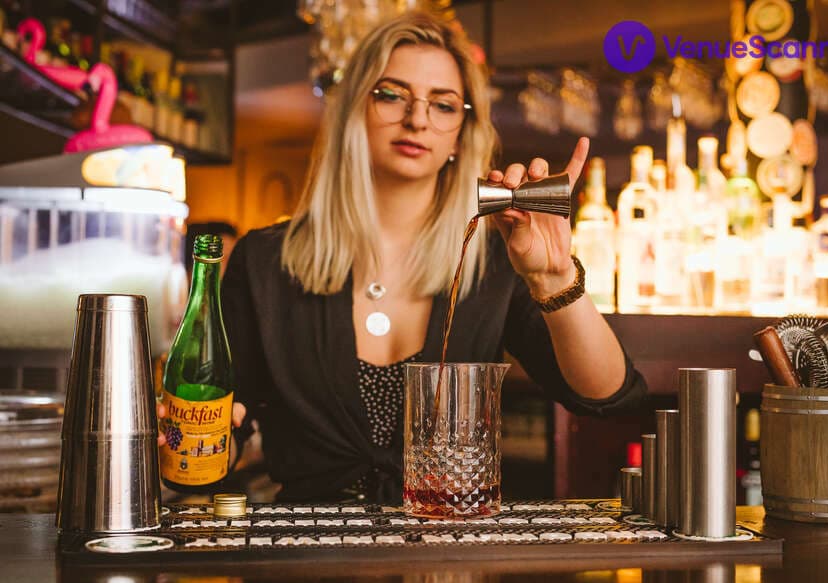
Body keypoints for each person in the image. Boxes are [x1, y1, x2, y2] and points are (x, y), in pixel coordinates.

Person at [163, 12, 646, 504]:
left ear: (461, 133)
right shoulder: (266, 261)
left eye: (443, 105)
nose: (418, 119)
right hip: (309, 544)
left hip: (446, 543)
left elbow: (607, 396)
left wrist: (554, 277)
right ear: (354, 108)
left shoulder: (495, 261)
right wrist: (191, 441)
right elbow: (224, 426)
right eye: (392, 95)